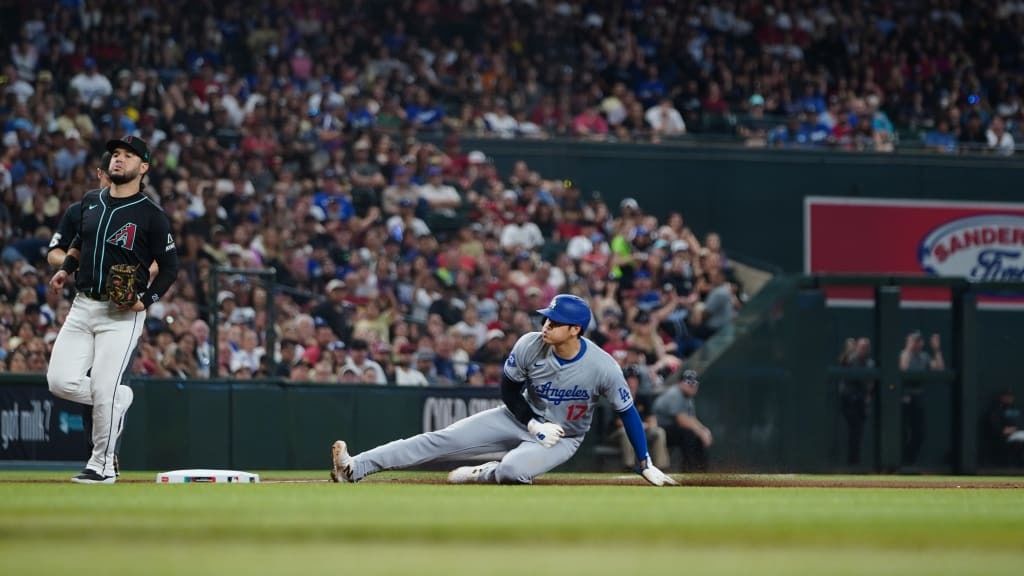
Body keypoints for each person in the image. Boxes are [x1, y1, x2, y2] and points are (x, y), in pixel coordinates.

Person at [330, 294, 677, 486]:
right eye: (545, 318)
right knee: (438, 439)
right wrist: (533, 424)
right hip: (519, 418)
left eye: (554, 323)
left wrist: (645, 462)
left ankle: (486, 472)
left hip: (564, 437)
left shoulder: (603, 366)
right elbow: (509, 393)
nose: (546, 325)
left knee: (512, 471)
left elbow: (627, 411)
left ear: (575, 330)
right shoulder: (530, 344)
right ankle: (355, 467)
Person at [46, 135, 179, 484]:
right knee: (59, 381)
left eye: (128, 155)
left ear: (143, 167)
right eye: (115, 154)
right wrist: (66, 269)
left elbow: (170, 268)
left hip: (122, 312)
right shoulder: (91, 202)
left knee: (103, 388)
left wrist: (144, 301)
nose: (118, 159)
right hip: (82, 305)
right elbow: (78, 242)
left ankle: (102, 465)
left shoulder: (152, 215)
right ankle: (120, 396)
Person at [606, 366, 669, 470]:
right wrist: (639, 425)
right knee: (625, 431)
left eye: (634, 379)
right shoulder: (617, 396)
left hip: (643, 430)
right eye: (629, 378)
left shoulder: (643, 398)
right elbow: (619, 422)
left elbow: (653, 420)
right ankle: (629, 466)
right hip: (617, 433)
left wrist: (645, 426)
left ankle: (661, 467)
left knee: (659, 432)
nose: (632, 382)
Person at [898, 330, 945, 466]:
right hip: (903, 399)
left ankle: (908, 463)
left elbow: (940, 369)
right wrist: (908, 347)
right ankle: (898, 463)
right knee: (902, 433)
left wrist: (936, 350)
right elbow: (903, 368)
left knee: (919, 433)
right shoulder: (904, 354)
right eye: (914, 340)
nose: (917, 343)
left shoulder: (924, 356)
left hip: (918, 398)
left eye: (919, 341)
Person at [653, 369, 711, 471]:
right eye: (688, 382)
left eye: (694, 383)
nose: (692, 385)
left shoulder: (688, 398)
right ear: (680, 383)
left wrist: (703, 429)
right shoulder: (674, 394)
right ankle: (688, 470)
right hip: (658, 430)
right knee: (688, 434)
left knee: (695, 436)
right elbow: (681, 420)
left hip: (673, 430)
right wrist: (700, 432)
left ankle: (701, 471)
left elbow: (691, 418)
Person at [838, 337, 875, 465]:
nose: (864, 349)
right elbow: (843, 362)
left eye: (866, 347)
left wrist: (867, 396)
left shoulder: (870, 363)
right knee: (849, 433)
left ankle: (854, 464)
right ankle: (849, 464)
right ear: (857, 347)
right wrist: (849, 351)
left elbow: (870, 384)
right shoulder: (850, 359)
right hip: (848, 402)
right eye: (861, 346)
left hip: (861, 403)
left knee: (857, 434)